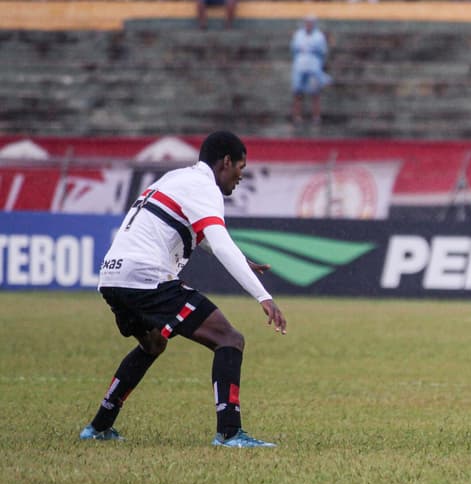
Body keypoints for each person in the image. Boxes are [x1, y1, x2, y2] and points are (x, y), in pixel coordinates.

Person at [79, 131, 286, 448]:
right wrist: (264, 296)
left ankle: (98, 428)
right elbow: (220, 242)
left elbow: (199, 236)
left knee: (153, 344)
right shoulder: (204, 187)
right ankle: (230, 433)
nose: (240, 178)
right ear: (226, 162)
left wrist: (243, 261)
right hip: (147, 277)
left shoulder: (176, 179)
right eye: (240, 169)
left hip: (112, 277)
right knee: (229, 339)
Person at [290, 15, 332, 126]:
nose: (308, 25)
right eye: (307, 22)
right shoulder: (299, 34)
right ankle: (297, 116)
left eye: (310, 23)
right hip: (300, 65)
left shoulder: (319, 36)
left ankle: (316, 116)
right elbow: (294, 50)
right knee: (297, 92)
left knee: (315, 92)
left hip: (314, 65)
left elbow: (323, 51)